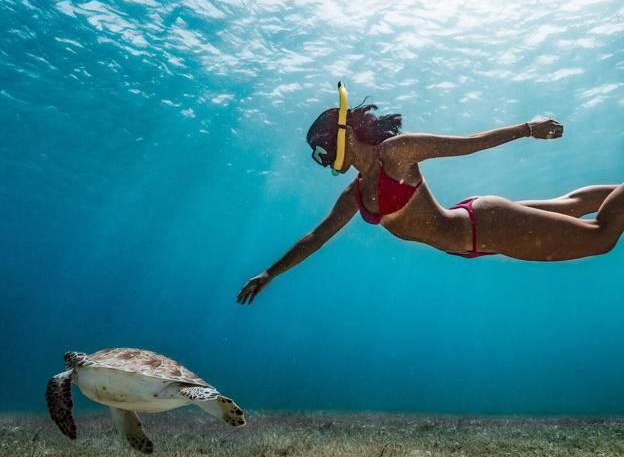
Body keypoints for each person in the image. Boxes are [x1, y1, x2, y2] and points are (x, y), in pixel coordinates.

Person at [237, 82, 619, 304]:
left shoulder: (397, 153)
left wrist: (528, 128)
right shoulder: (354, 194)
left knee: (601, 238)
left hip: (485, 227)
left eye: (321, 149)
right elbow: (316, 237)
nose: (323, 160)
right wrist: (271, 272)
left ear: (343, 135)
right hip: (475, 229)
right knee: (572, 206)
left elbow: (468, 143)